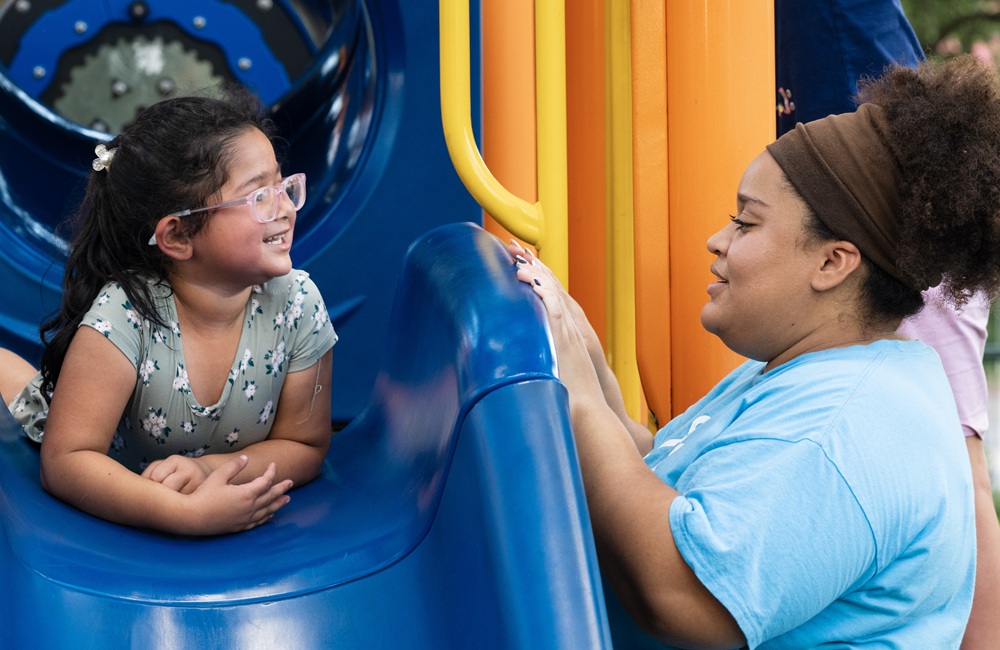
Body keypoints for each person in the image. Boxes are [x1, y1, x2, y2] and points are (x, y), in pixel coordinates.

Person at [510, 54, 1000, 648]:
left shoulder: (840, 427)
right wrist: (588, 367)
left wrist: (581, 404)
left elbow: (681, 592)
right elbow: (666, 475)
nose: (717, 241)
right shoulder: (815, 369)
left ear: (831, 262)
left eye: (745, 222)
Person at [1, 87, 338, 536]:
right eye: (259, 196)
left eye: (283, 185)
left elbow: (305, 443)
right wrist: (182, 513)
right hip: (72, 430)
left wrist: (207, 472)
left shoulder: (298, 306)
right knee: (22, 393)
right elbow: (65, 462)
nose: (285, 208)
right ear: (178, 237)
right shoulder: (127, 313)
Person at [776, 2, 1000, 645]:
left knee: (959, 467)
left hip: (906, 240)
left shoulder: (836, 27)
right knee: (956, 464)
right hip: (902, 233)